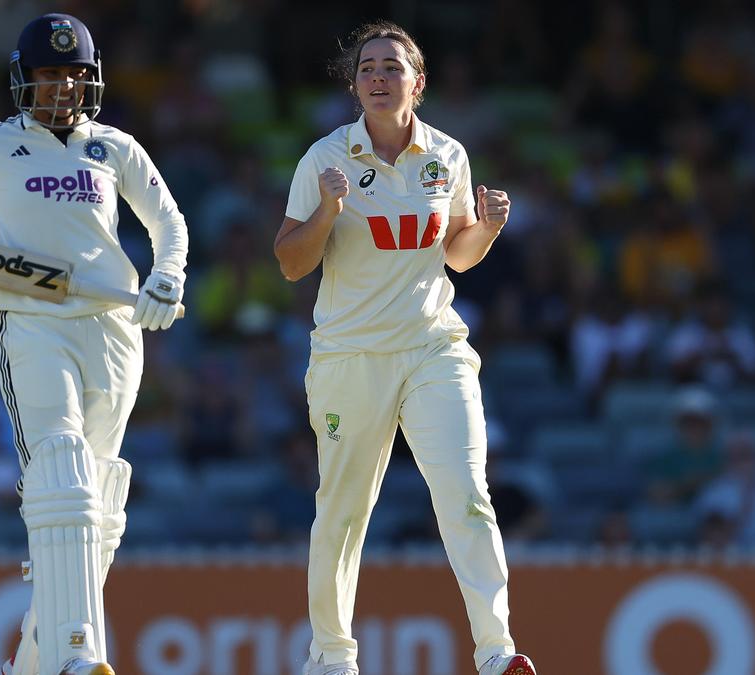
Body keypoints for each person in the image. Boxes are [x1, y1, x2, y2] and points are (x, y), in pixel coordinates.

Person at [0, 13, 188, 675]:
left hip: (112, 326)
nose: (62, 87)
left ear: (91, 79)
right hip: (32, 319)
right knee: (62, 470)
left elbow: (167, 221)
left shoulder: (115, 148)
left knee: (99, 501)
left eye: (73, 75)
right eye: (50, 74)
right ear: (25, 78)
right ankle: (79, 652)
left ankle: (30, 662)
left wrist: (167, 275)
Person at [273, 20, 535, 675]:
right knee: (343, 510)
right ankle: (331, 656)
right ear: (354, 85)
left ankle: (496, 650)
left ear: (418, 83)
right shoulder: (324, 159)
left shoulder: (447, 155)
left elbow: (457, 255)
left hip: (431, 347)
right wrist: (327, 211)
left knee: (466, 493)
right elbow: (292, 263)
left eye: (392, 67)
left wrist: (488, 228)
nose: (378, 77)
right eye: (367, 68)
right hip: (351, 355)